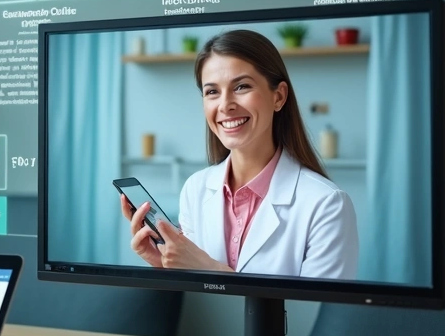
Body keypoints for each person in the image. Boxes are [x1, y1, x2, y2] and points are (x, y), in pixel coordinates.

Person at [120, 29, 359, 279]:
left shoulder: (327, 204)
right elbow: (202, 304)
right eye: (212, 92)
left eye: (242, 86)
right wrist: (165, 266)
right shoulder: (195, 189)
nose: (225, 105)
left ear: (278, 97)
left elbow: (320, 312)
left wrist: (210, 269)